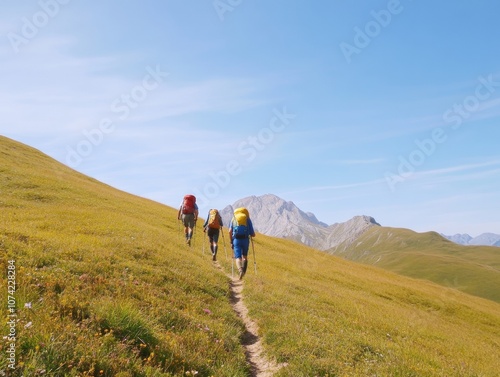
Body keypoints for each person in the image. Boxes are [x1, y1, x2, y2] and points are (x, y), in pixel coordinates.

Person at [228, 207, 255, 279]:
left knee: (237, 257)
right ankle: (244, 273)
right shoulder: (247, 219)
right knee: (245, 256)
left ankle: (240, 271)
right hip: (245, 240)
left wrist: (231, 241)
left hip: (236, 240)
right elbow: (252, 233)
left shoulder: (234, 218)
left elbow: (229, 231)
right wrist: (252, 234)